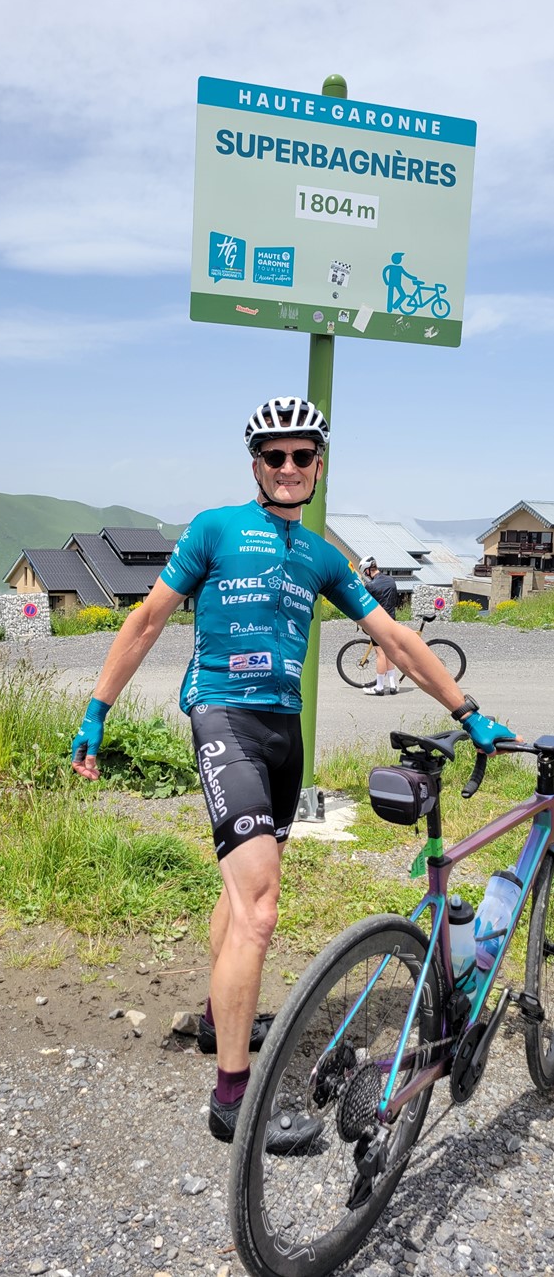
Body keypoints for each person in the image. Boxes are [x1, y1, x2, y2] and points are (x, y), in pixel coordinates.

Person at [71, 395, 517, 1149]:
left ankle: (218, 1019)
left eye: (300, 455)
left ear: (317, 464)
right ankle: (233, 1101)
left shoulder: (320, 556)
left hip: (285, 733)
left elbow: (394, 639)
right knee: (260, 907)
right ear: (255, 464)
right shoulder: (214, 529)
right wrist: (96, 710)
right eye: (273, 455)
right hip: (225, 719)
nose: (287, 467)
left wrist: (467, 709)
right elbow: (146, 620)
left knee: (240, 888)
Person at [359, 556, 399, 695]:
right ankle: (393, 685)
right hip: (391, 621)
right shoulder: (391, 581)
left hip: (378, 623)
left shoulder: (370, 586)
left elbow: (365, 606)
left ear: (367, 570)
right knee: (389, 652)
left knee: (380, 653)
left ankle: (380, 687)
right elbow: (395, 601)